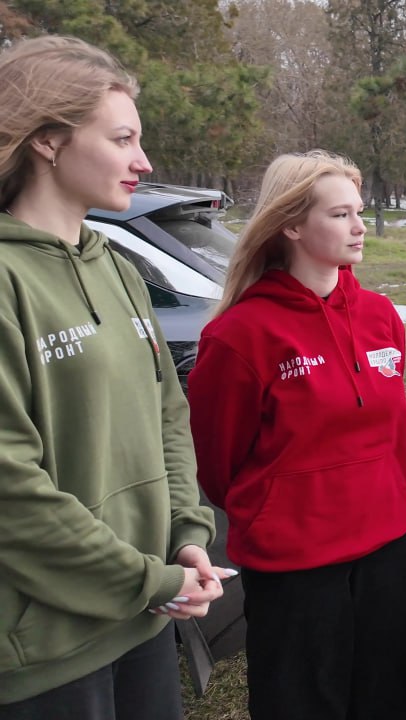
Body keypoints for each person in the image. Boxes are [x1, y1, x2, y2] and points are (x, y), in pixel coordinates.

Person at [0, 36, 225, 719]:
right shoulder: (8, 280)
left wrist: (187, 533)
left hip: (147, 619)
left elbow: (166, 414)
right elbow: (11, 489)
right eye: (123, 138)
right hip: (47, 654)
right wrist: (143, 577)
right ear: (46, 139)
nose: (143, 161)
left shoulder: (119, 270)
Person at [186, 151, 406, 719]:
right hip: (297, 568)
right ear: (290, 225)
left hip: (389, 548)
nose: (360, 227)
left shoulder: (380, 316)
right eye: (340, 215)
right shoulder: (240, 336)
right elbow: (218, 467)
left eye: (358, 212)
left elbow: (392, 437)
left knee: (388, 697)